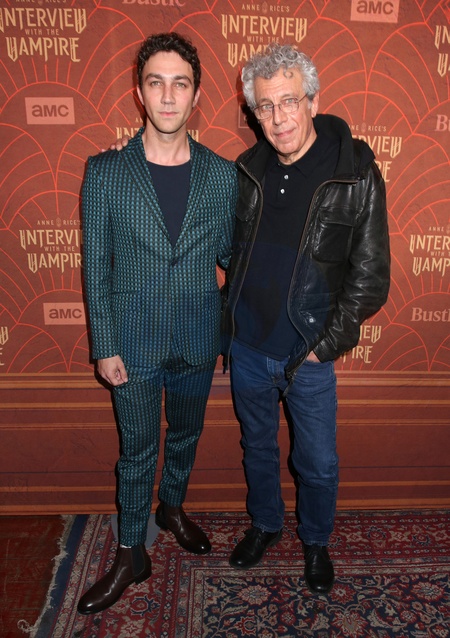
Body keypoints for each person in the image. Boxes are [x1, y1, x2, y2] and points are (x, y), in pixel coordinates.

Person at [221, 43, 390, 594]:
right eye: (265, 106)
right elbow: (231, 249)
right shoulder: (247, 170)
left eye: (289, 101)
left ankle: (315, 541)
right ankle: (266, 525)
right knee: (258, 448)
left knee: (316, 463)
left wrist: (323, 345)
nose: (279, 118)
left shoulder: (356, 174)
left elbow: (371, 278)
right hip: (247, 347)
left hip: (309, 354)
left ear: (313, 101)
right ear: (254, 112)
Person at [77, 32, 237, 615]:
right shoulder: (105, 171)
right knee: (137, 450)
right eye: (156, 82)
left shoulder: (222, 175)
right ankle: (130, 552)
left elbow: (231, 257)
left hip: (198, 338)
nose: (168, 96)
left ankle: (171, 508)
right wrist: (105, 344)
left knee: (186, 436)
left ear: (196, 95)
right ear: (139, 93)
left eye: (181, 84)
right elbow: (95, 266)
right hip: (133, 344)